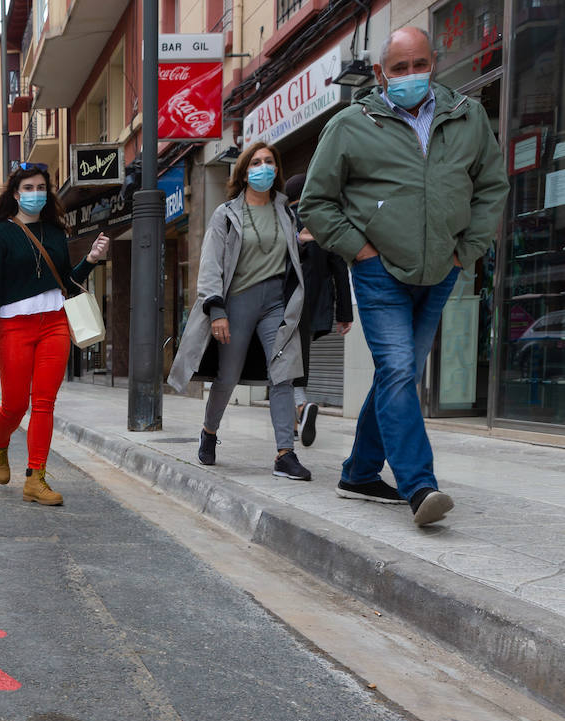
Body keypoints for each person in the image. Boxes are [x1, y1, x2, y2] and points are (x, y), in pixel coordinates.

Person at [301, 26, 508, 526]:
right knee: (398, 370)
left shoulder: (468, 116)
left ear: (432, 63)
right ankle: (420, 486)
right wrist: (362, 251)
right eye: (399, 68)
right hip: (379, 273)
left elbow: (491, 188)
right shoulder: (351, 124)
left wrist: (466, 252)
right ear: (380, 74)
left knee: (402, 373)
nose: (411, 75)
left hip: (441, 270)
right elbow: (316, 202)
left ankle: (359, 472)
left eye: (419, 64)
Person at [167, 141, 310, 481]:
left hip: (277, 302)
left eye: (269, 162)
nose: (263, 168)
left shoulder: (285, 211)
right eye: (256, 163)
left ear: (276, 170)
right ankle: (209, 431)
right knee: (227, 378)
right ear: (245, 172)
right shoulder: (227, 213)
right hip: (238, 301)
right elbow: (212, 264)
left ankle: (284, 454)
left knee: (283, 375)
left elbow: (289, 256)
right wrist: (216, 309)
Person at [0, 161, 109, 506]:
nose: (35, 194)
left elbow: (64, 282)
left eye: (40, 188)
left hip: (54, 324)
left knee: (45, 402)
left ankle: (35, 478)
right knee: (15, 404)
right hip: (14, 327)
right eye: (28, 188)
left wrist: (92, 259)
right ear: (16, 194)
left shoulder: (55, 232)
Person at [283, 173, 354, 447]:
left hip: (285, 303)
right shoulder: (325, 221)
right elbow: (339, 266)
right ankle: (291, 423)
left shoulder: (283, 219)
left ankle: (300, 409)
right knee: (294, 359)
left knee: (281, 363)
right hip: (316, 306)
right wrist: (345, 314)